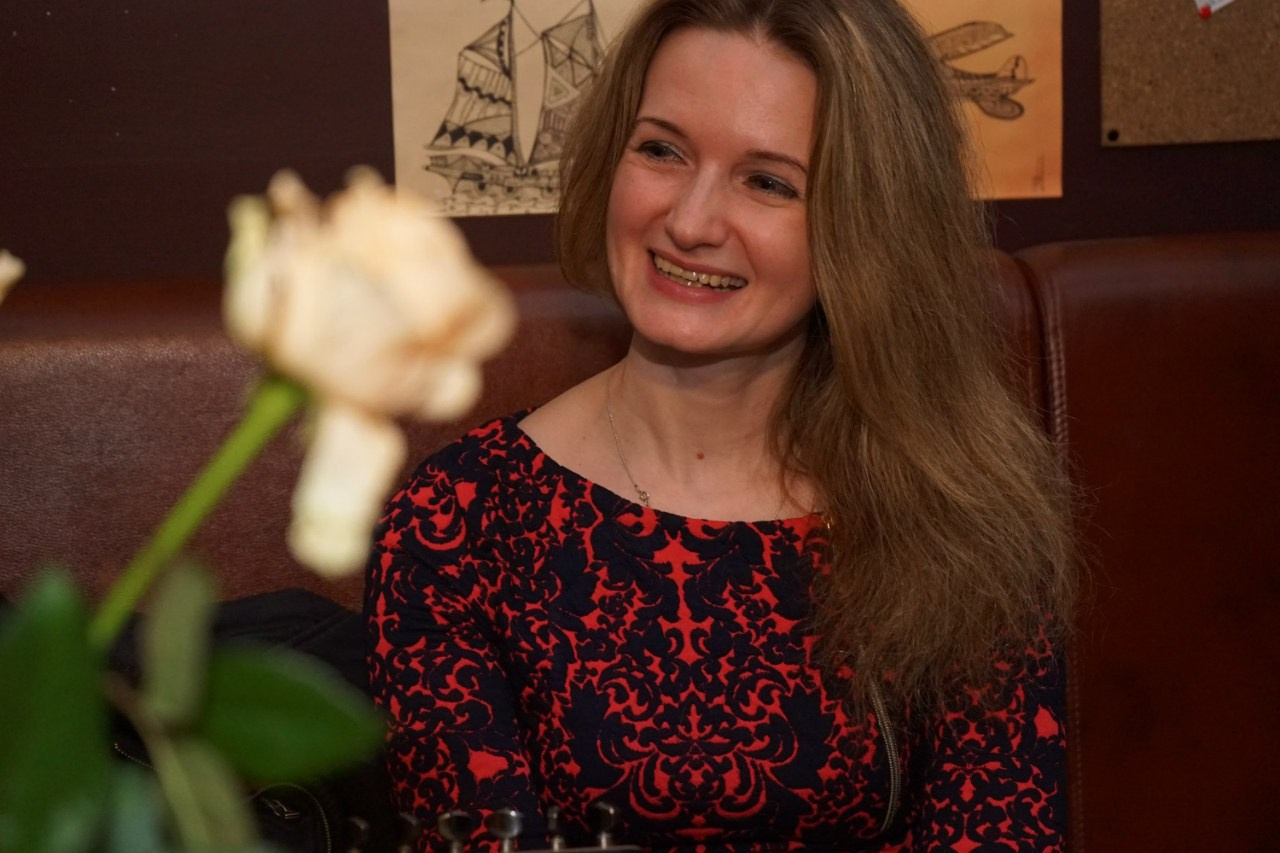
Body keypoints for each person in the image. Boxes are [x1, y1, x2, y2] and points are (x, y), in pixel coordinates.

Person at [366, 0, 1076, 849]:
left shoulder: (959, 514)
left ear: (867, 225)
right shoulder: (457, 522)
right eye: (661, 150)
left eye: (768, 182)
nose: (691, 222)